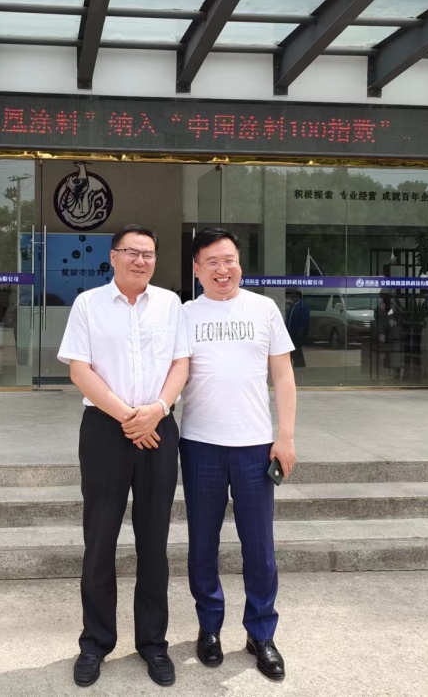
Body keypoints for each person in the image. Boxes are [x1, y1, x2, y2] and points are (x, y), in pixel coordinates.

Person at [58, 224, 190, 688]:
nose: (140, 260)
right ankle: (95, 642)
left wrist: (157, 411)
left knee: (154, 541)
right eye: (131, 252)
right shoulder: (88, 304)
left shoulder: (171, 304)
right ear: (112, 257)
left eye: (148, 253)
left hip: (158, 427)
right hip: (105, 429)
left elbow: (181, 363)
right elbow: (80, 370)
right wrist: (128, 417)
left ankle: (153, 643)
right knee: (99, 540)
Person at [180, 227, 298, 681]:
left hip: (255, 446)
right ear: (197, 269)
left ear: (240, 265)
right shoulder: (184, 315)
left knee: (260, 546)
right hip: (200, 444)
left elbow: (283, 376)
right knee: (202, 544)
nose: (222, 269)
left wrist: (285, 436)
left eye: (228, 259)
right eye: (211, 262)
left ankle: (261, 633)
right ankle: (209, 627)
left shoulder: (263, 309)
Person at [284, 288, 310, 368]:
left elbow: (305, 319)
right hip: (291, 332)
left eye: (293, 296)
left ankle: (300, 365)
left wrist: (301, 330)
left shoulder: (302, 306)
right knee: (292, 350)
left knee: (296, 349)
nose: (291, 298)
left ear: (297, 297)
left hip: (297, 332)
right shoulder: (293, 306)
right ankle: (293, 365)